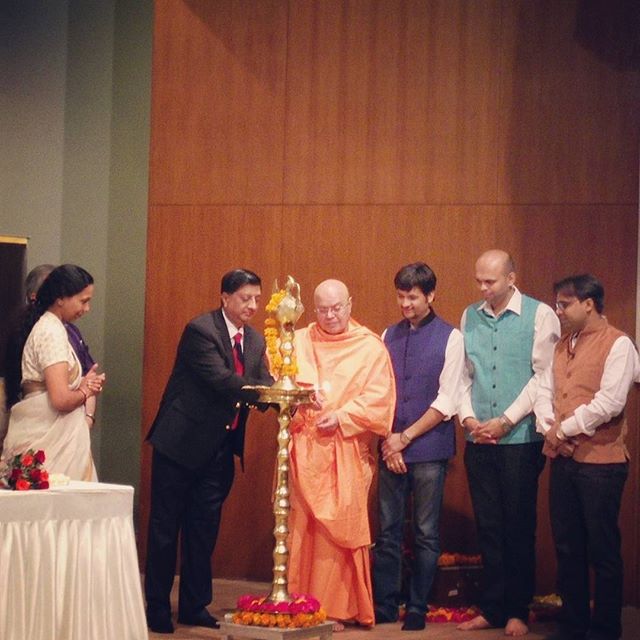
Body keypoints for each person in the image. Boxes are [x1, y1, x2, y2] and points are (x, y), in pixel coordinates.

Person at [144, 268, 274, 635]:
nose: (252, 306)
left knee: (203, 530)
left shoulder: (255, 340)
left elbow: (262, 381)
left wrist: (282, 395)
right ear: (225, 297)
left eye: (257, 299)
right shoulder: (201, 330)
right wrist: (270, 395)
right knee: (165, 529)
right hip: (179, 446)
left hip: (219, 450)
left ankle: (193, 606)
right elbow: (223, 381)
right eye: (245, 298)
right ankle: (156, 606)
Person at [457, 249, 560, 637]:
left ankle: (518, 608)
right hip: (478, 437)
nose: (483, 289)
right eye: (479, 281)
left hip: (519, 439)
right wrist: (468, 418)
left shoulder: (540, 315)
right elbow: (464, 376)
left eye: (491, 282)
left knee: (518, 526)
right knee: (489, 527)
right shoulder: (470, 316)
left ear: (511, 278)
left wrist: (505, 421)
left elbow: (543, 377)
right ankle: (492, 607)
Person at [534, 274, 639, 640]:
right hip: (562, 460)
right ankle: (573, 624)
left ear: (589, 303)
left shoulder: (619, 344)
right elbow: (544, 390)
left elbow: (610, 404)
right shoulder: (564, 344)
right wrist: (548, 425)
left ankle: (607, 628)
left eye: (564, 304)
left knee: (602, 549)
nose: (558, 310)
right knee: (568, 545)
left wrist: (563, 430)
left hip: (602, 465)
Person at [287, 279, 396, 630]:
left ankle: (337, 607)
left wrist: (344, 416)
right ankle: (302, 603)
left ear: (350, 304)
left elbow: (380, 399)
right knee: (305, 530)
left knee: (338, 535)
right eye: (322, 309)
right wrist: (304, 398)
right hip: (306, 450)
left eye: (337, 308)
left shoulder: (370, 347)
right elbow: (282, 380)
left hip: (347, 450)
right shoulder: (300, 340)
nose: (330, 316)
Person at [373, 262, 465, 631]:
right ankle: (384, 604)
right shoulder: (387, 335)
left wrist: (405, 439)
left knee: (426, 532)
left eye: (412, 297)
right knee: (387, 531)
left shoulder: (451, 336)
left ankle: (417, 607)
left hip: (428, 448)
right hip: (390, 446)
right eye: (400, 296)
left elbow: (448, 402)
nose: (405, 303)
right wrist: (389, 443)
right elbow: (380, 393)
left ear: (430, 296)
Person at [1, 264, 105, 480]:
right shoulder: (51, 332)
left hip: (56, 436)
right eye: (83, 301)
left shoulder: (53, 327)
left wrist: (85, 385)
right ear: (60, 298)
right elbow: (60, 399)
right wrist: (85, 390)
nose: (87, 309)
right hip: (49, 442)